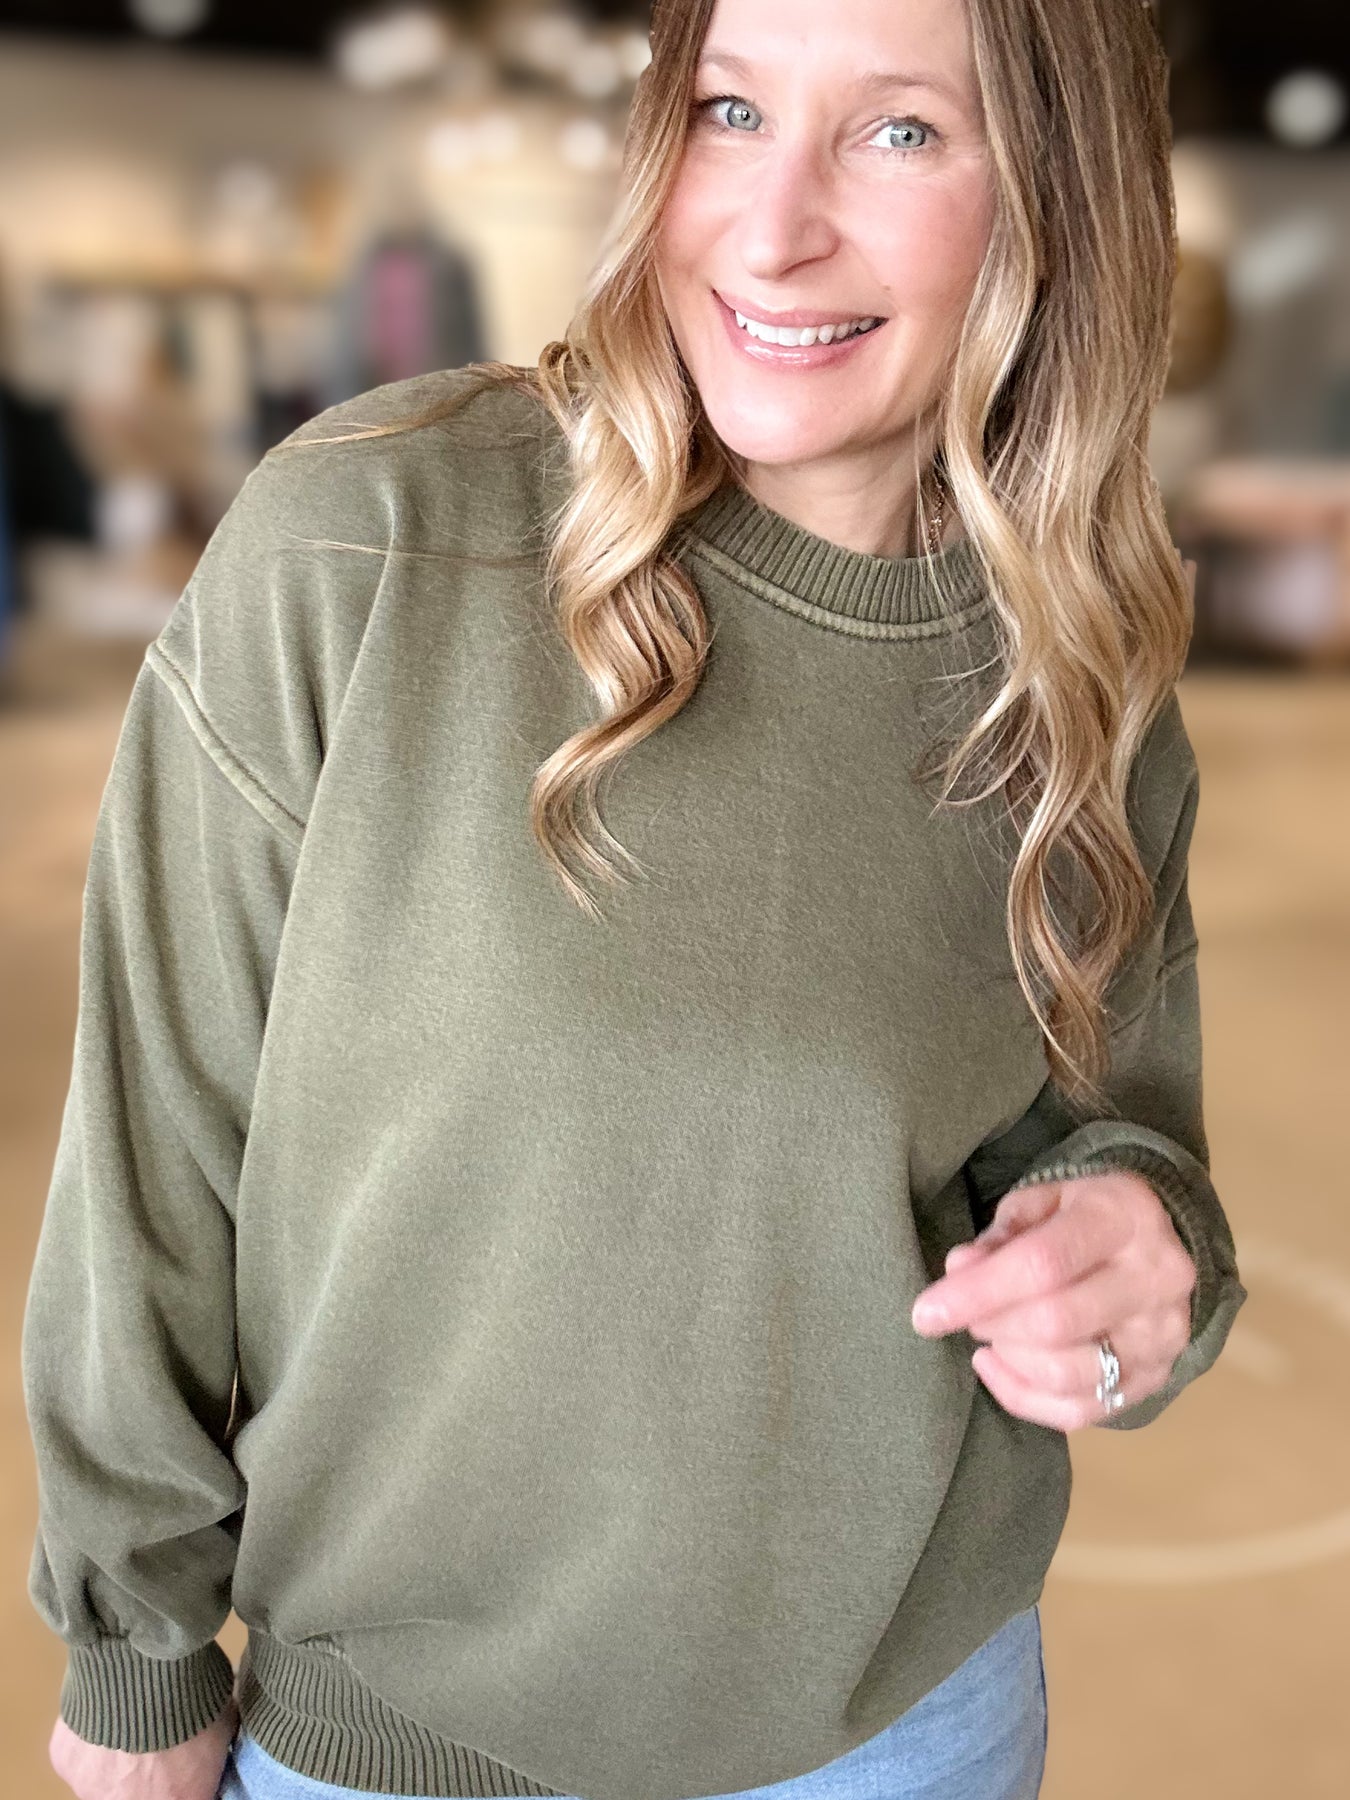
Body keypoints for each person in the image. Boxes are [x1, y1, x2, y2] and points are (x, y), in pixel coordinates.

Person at [24, 1, 1248, 1797]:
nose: (770, 228)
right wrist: (133, 1651)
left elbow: (1110, 1144)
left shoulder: (1075, 687)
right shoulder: (374, 537)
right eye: (730, 110)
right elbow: (153, 1142)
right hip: (395, 1749)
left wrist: (1135, 1247)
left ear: (1055, 198)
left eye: (899, 132)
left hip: (902, 1734)